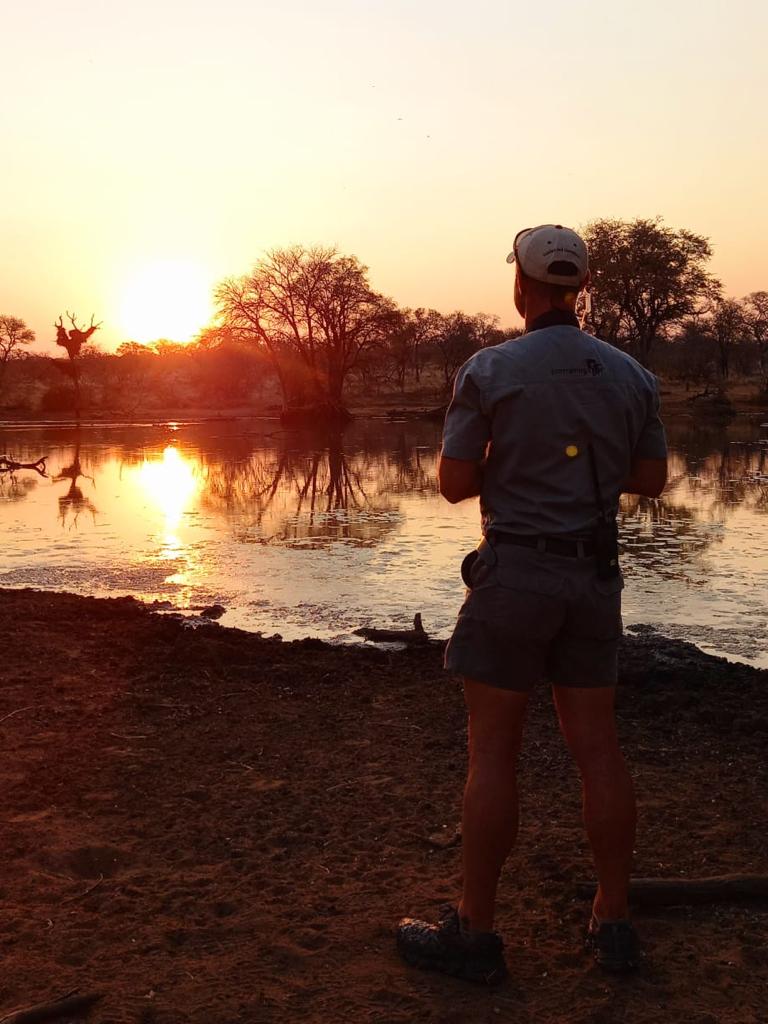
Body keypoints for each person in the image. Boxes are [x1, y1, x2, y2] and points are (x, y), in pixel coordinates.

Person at [396, 224, 668, 984]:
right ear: (579, 287)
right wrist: (579, 468)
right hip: (594, 579)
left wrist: (516, 463)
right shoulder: (632, 375)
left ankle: (475, 932)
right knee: (599, 750)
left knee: (493, 755)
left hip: (514, 575)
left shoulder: (490, 369)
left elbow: (454, 483)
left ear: (520, 284)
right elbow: (651, 478)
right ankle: (614, 922)